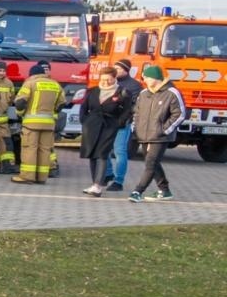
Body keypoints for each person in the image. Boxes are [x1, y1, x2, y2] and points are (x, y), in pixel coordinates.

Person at [128, 64, 187, 202]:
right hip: (143, 135)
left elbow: (180, 114)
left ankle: (137, 191)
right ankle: (164, 190)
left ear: (156, 78)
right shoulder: (144, 93)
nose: (145, 80)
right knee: (152, 163)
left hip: (161, 136)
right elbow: (137, 112)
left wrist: (164, 130)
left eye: (147, 77)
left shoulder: (172, 92)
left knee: (151, 162)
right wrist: (135, 128)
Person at [78, 68, 131, 196]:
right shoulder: (93, 91)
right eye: (103, 79)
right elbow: (84, 107)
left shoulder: (122, 92)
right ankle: (94, 183)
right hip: (92, 126)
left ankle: (98, 185)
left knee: (102, 154)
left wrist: (119, 123)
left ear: (115, 78)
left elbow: (128, 110)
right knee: (92, 153)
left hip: (109, 126)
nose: (105, 82)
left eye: (109, 80)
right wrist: (84, 120)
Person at [12, 61, 63, 184]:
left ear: (31, 74)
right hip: (49, 124)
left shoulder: (30, 83)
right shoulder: (55, 85)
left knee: (30, 149)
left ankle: (27, 176)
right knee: (45, 150)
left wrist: (20, 113)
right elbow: (61, 104)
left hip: (31, 124)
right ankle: (41, 177)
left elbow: (20, 103)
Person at [105, 58, 143, 190]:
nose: (116, 71)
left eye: (119, 69)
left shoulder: (134, 85)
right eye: (115, 68)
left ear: (126, 70)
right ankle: (108, 173)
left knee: (119, 151)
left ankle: (118, 181)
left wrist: (125, 117)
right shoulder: (111, 82)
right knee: (104, 150)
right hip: (108, 122)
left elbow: (135, 105)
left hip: (122, 124)